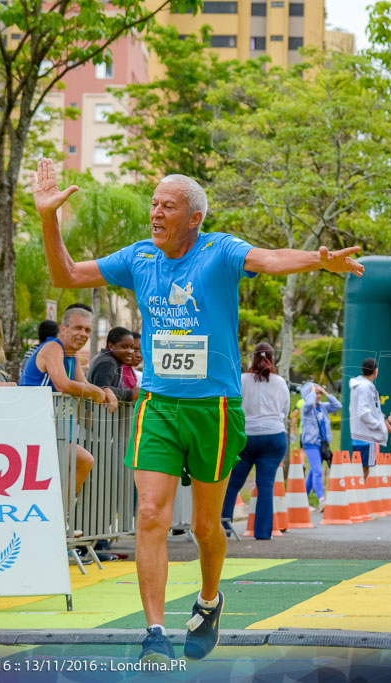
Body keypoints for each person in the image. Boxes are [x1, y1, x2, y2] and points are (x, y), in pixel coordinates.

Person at [30, 159, 363, 663]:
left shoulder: (219, 249)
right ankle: (155, 634)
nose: (156, 213)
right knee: (149, 515)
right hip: (159, 404)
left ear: (194, 218)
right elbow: (67, 274)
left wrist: (319, 261)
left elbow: (270, 259)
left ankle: (209, 600)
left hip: (215, 407)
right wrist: (47, 217)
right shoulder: (140, 257)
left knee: (207, 526)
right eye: (154, 204)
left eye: (168, 206)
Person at [19, 305, 116, 494]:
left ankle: (63, 516)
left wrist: (104, 391)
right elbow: (64, 384)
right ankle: (63, 517)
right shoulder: (53, 347)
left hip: (53, 429)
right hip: (31, 426)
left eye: (87, 330)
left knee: (78, 464)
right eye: (77, 328)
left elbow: (85, 386)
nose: (83, 333)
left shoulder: (73, 356)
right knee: (83, 461)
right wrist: (96, 392)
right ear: (63, 329)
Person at [221, 343, 290, 539]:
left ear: (252, 358)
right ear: (272, 358)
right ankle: (263, 533)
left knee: (233, 483)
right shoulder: (280, 382)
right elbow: (285, 411)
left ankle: (223, 528)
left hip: (246, 437)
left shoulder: (242, 380)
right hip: (274, 436)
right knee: (265, 485)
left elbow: (233, 406)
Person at [299, 381, 342, 506]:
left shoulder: (323, 407)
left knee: (313, 471)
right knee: (317, 471)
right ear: (309, 394)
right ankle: (321, 499)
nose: (318, 396)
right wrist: (312, 391)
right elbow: (309, 404)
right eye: (316, 393)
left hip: (322, 445)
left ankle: (302, 499)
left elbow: (338, 405)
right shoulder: (306, 408)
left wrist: (325, 393)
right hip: (311, 443)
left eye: (319, 393)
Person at [349, 357, 389, 479]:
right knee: (367, 471)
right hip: (367, 436)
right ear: (375, 371)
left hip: (358, 435)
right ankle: (363, 496)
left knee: (360, 470)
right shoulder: (365, 387)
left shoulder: (357, 386)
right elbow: (364, 413)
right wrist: (378, 424)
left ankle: (358, 495)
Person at [87, 326, 140, 402]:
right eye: (124, 347)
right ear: (111, 346)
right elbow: (102, 389)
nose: (130, 351)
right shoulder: (107, 362)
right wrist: (130, 394)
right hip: (94, 412)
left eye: (132, 348)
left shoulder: (113, 361)